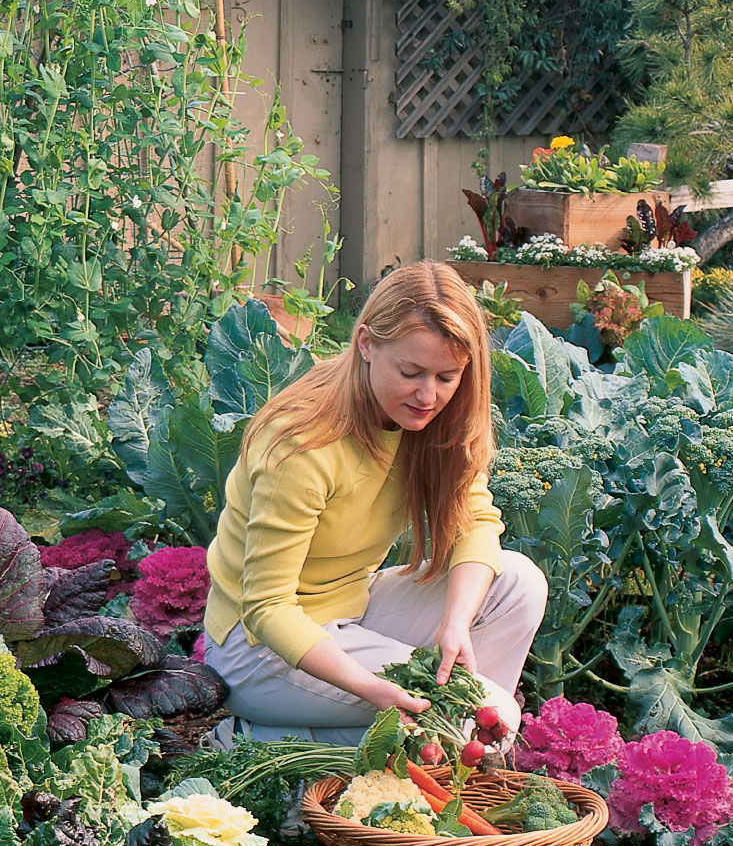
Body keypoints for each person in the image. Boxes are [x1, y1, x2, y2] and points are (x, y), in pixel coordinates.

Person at [200, 261, 547, 744]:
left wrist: (455, 623)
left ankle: (442, 751)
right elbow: (267, 607)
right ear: (366, 343)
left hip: (352, 607)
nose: (429, 395)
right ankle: (255, 742)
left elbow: (477, 522)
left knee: (518, 583)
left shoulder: (435, 420)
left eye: (448, 376)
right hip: (258, 649)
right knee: (480, 716)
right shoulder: (303, 444)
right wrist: (376, 690)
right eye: (410, 372)